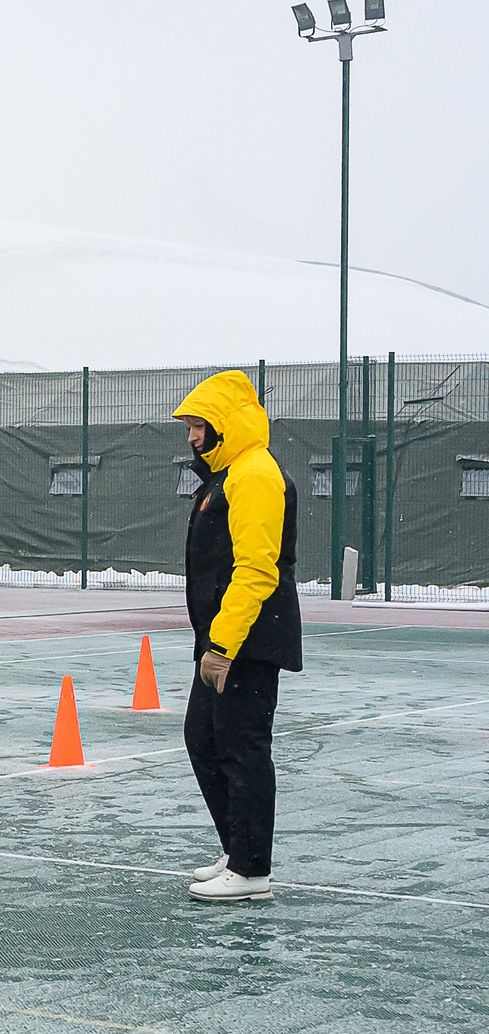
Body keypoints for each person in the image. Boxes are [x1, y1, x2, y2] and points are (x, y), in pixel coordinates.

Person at [176, 371, 301, 904]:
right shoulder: (224, 478)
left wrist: (224, 645)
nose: (191, 437)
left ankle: (251, 869)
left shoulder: (253, 475)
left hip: (247, 639)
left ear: (223, 426)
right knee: (203, 737)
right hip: (225, 637)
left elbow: (256, 569)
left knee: (241, 747)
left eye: (198, 426)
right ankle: (238, 850)